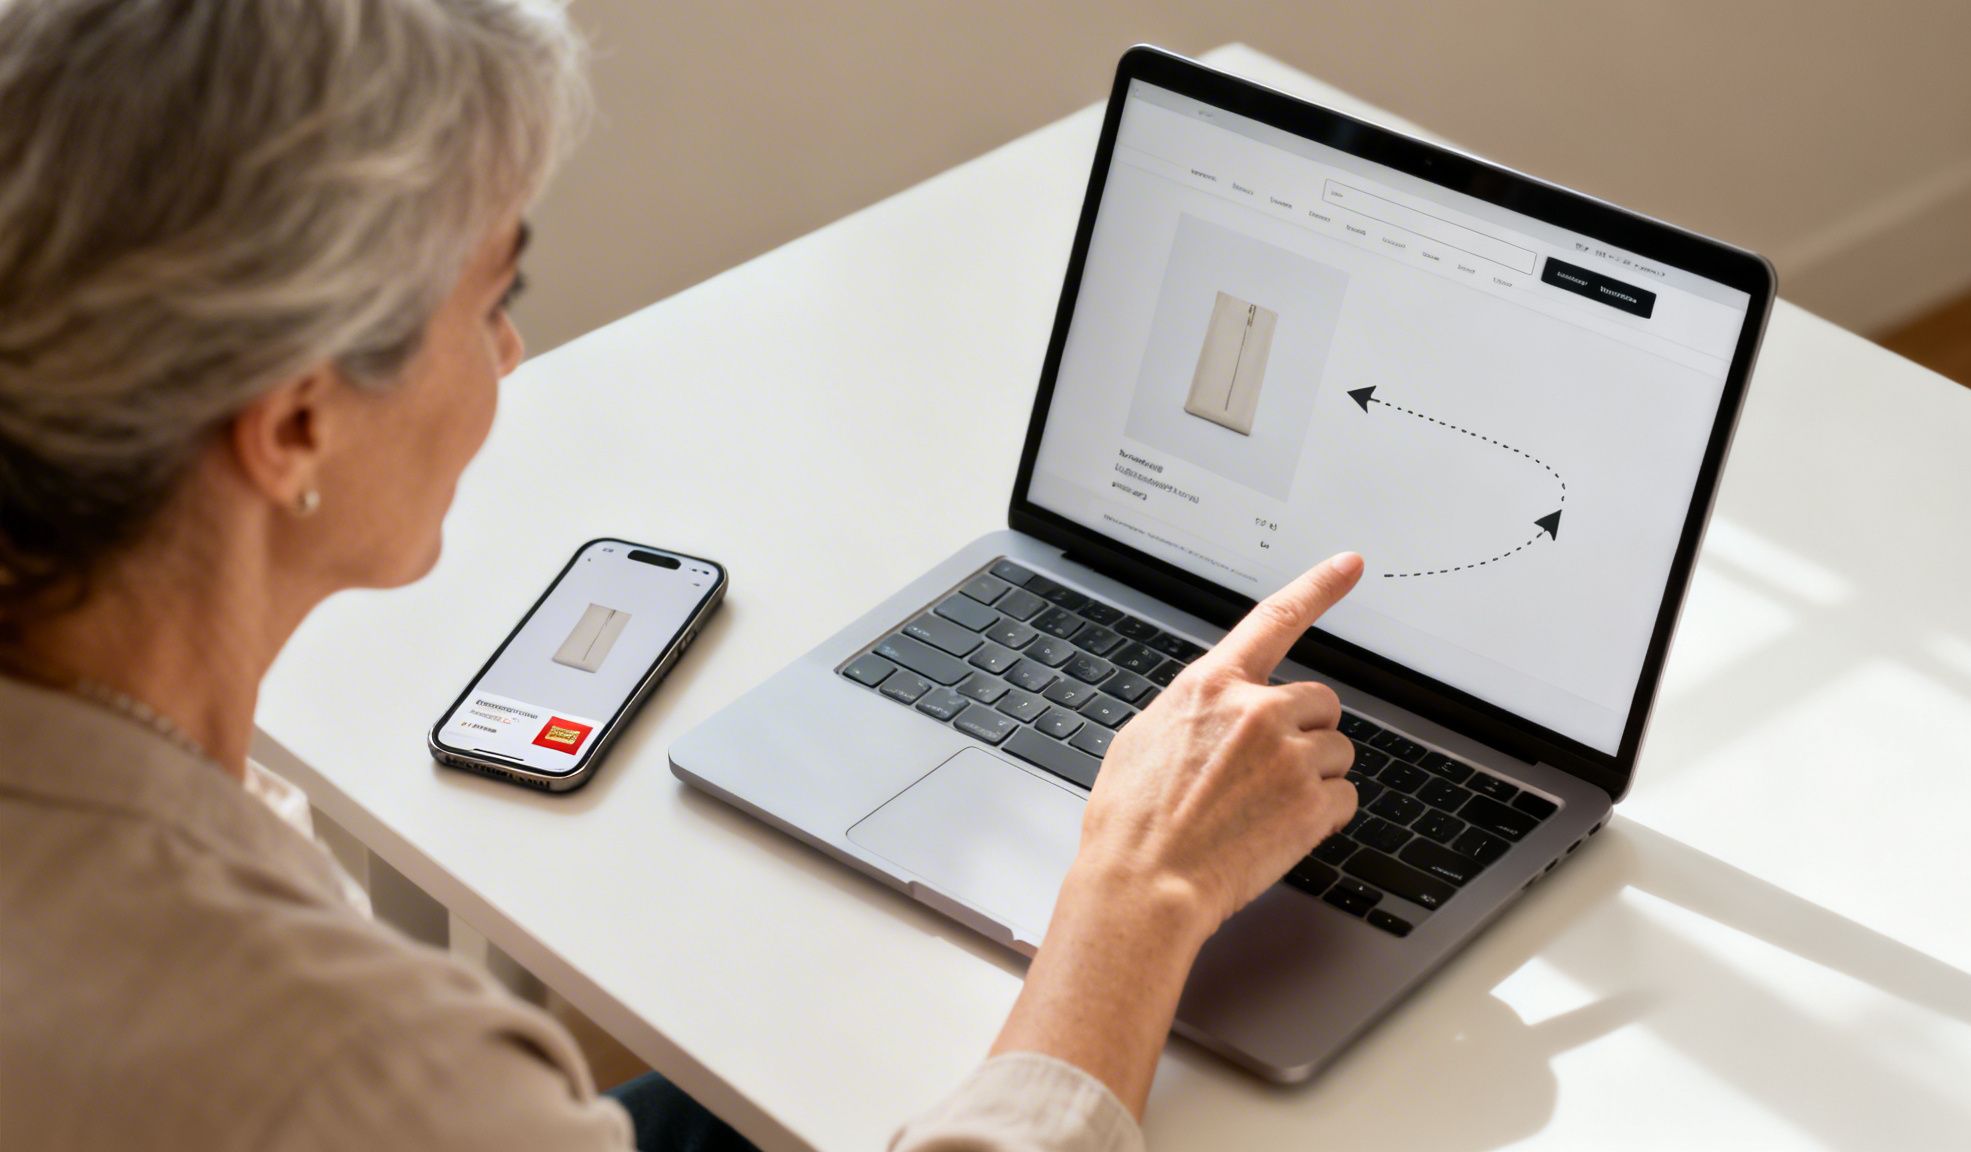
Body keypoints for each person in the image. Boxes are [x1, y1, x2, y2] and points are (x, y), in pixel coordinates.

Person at [0, 2, 1363, 1148]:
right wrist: (1135, 903)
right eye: (491, 299)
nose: (510, 355)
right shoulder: (375, 1076)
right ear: (296, 423)